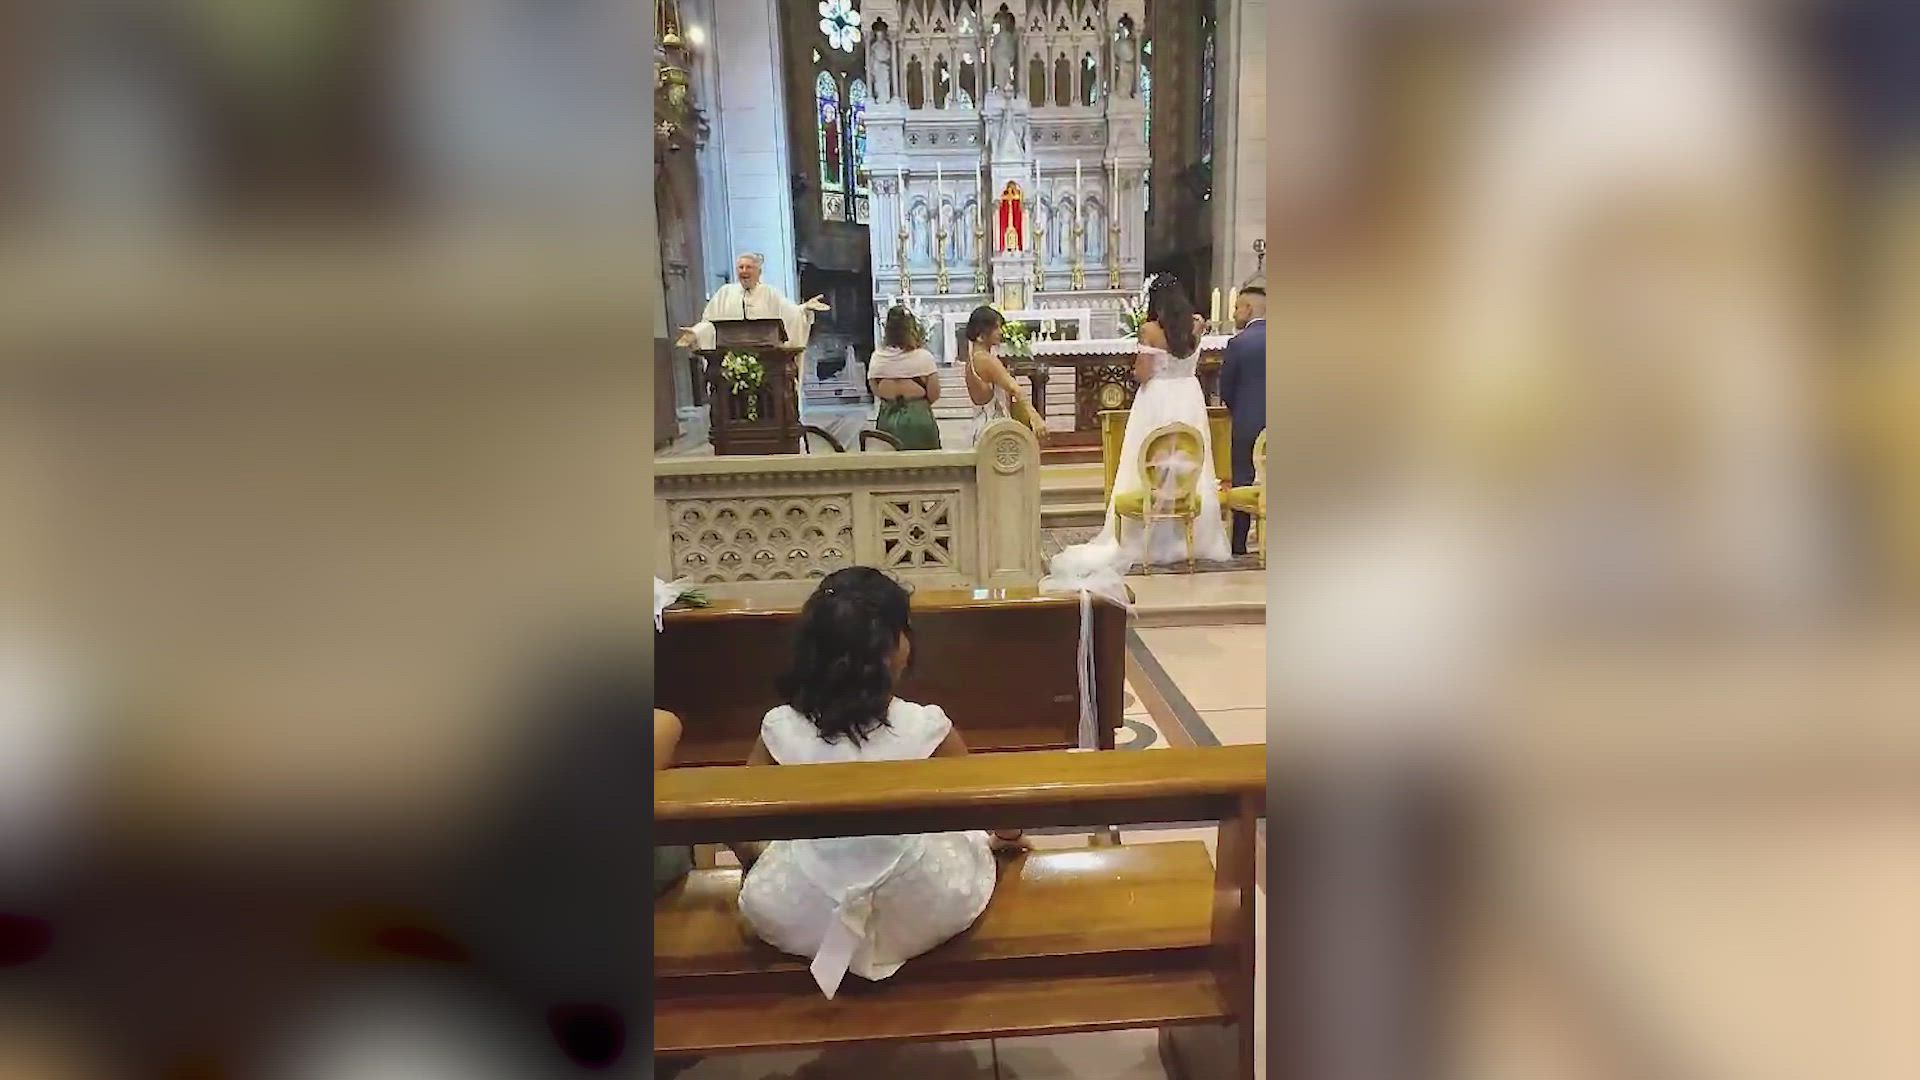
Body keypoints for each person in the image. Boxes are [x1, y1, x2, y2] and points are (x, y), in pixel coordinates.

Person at [733, 567, 1024, 1000]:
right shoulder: (925, 725)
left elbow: (737, 818)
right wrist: (1008, 838)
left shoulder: (780, 726)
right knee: (964, 842)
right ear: (894, 649)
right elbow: (986, 805)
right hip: (918, 910)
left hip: (808, 915)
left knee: (783, 866)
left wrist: (758, 862)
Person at [1050, 276, 1230, 573]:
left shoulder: (1149, 331)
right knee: (1188, 459)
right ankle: (1190, 536)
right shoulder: (1197, 324)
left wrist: (1137, 370)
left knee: (1149, 460)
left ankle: (1146, 537)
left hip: (1157, 398)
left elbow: (1143, 373)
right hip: (1189, 396)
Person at [675, 252, 829, 351]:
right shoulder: (725, 293)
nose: (744, 271)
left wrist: (805, 309)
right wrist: (695, 333)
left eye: (749, 267)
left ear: (759, 272)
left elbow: (791, 314)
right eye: (740, 267)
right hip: (730, 356)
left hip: (767, 358)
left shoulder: (769, 293)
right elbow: (709, 324)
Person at [1219, 282, 1268, 555]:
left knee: (1243, 479)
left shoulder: (1238, 343)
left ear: (1248, 309)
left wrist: (1240, 409)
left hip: (1248, 421)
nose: (1235, 313)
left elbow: (1226, 387)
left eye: (1237, 307)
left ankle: (1239, 543)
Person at [961, 305, 1044, 446]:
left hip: (981, 426)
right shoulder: (986, 360)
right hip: (994, 431)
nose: (1001, 332)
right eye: (996, 328)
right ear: (982, 332)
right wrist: (1035, 417)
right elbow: (1015, 389)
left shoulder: (973, 358)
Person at [867, 306, 942, 449]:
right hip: (919, 420)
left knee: (890, 461)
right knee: (924, 462)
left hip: (888, 420)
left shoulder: (877, 358)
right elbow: (934, 394)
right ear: (912, 329)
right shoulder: (924, 357)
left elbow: (876, 390)